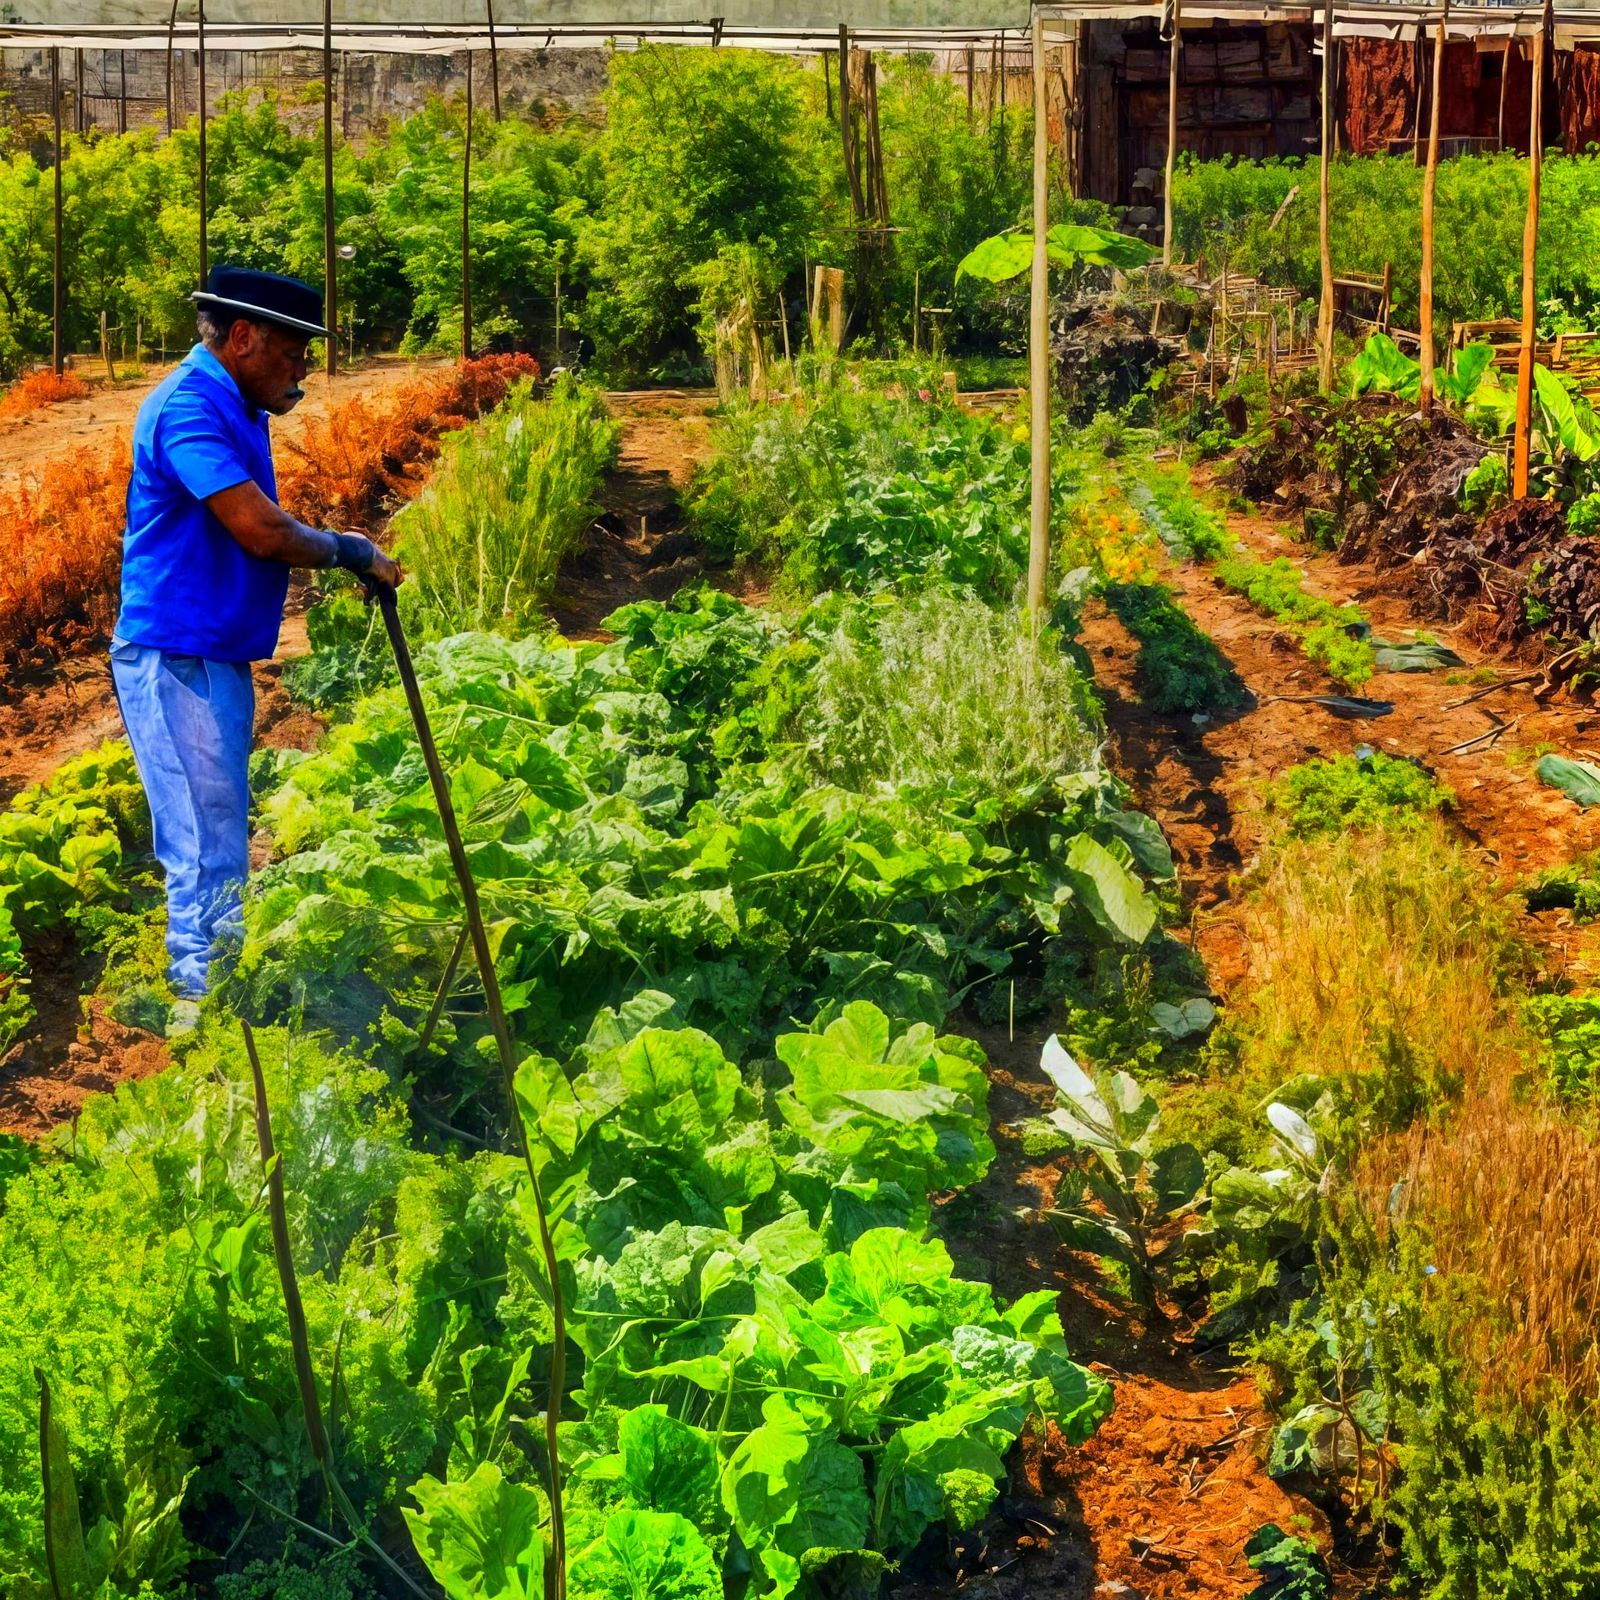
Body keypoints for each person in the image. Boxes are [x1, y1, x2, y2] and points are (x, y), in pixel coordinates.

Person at [112, 265, 403, 1002]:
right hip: (177, 654)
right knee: (201, 845)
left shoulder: (236, 403)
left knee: (220, 837)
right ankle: (203, 1006)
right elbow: (261, 530)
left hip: (213, 651)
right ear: (242, 337)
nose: (301, 370)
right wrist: (348, 550)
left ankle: (221, 984)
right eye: (294, 353)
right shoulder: (189, 407)